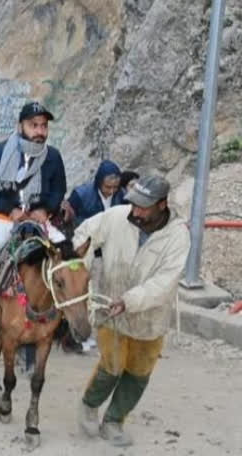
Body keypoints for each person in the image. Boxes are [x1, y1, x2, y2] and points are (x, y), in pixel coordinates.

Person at [74, 175, 189, 447]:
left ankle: (113, 421)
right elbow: (83, 237)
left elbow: (164, 283)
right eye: (133, 204)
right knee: (111, 366)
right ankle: (90, 404)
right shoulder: (116, 217)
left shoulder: (178, 236)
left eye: (143, 207)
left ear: (162, 205)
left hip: (150, 318)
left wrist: (129, 300)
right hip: (109, 309)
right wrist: (81, 269)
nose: (135, 211)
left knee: (138, 372)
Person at [0, 101, 67, 344]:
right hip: (3, 220)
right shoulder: (0, 153)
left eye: (43, 126)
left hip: (37, 220)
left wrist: (45, 209)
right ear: (20, 125)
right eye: (34, 125)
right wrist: (7, 208)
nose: (40, 131)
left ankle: (66, 316)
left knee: (69, 257)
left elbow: (59, 189)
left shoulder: (52, 157)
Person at [64, 160, 125, 227]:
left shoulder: (120, 194)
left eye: (115, 187)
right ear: (99, 182)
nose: (112, 191)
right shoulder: (81, 195)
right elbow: (68, 215)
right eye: (108, 187)